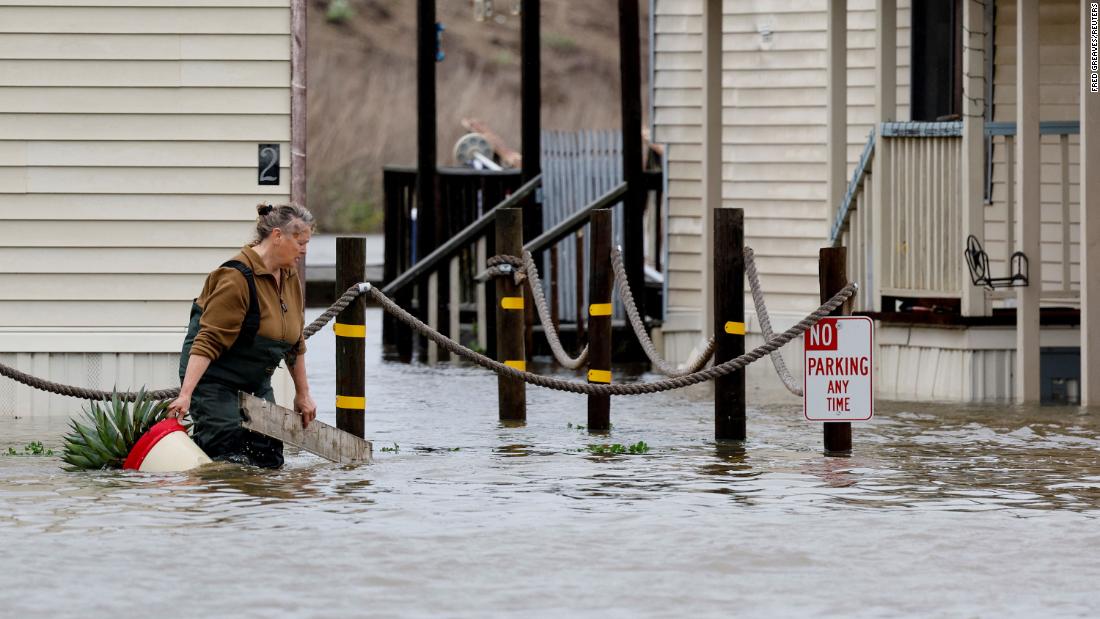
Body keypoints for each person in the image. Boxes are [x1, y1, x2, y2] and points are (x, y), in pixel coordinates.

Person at [166, 204, 318, 468]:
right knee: (230, 454)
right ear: (278, 236)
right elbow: (207, 342)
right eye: (300, 242)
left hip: (256, 381)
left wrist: (303, 394)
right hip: (215, 381)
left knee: (269, 455)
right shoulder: (235, 278)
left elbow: (295, 342)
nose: (304, 250)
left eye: (307, 243)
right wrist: (186, 394)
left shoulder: (290, 275)